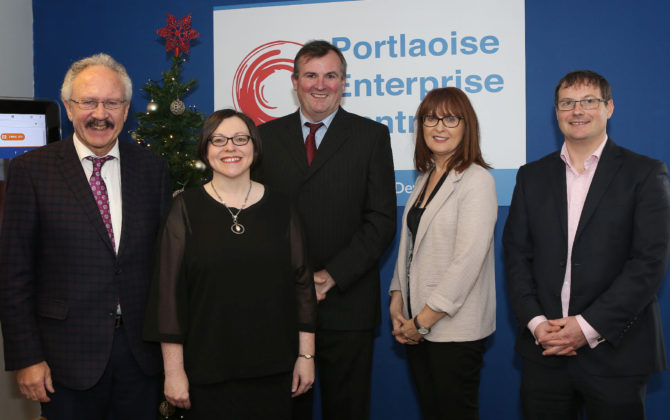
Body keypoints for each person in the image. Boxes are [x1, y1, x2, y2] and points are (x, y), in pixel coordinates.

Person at [0, 53, 172, 419]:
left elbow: (164, 266)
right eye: (88, 102)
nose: (100, 114)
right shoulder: (31, 172)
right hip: (65, 358)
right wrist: (27, 358)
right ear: (67, 106)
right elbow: (13, 274)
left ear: (126, 110)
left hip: (140, 357)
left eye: (112, 103)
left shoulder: (152, 169)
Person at [503, 70, 670, 419]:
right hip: (544, 351)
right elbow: (517, 256)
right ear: (556, 112)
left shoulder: (645, 173)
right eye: (567, 103)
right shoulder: (530, 176)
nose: (577, 111)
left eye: (589, 101)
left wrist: (587, 326)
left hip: (615, 353)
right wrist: (536, 322)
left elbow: (648, 263)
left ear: (609, 108)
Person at [252, 40, 396, 420]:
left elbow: (381, 220)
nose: (321, 84)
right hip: (281, 306)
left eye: (330, 76)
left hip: (348, 306)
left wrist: (331, 276)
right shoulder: (264, 138)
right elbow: (255, 219)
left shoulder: (372, 137)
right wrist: (295, 281)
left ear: (344, 82)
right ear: (294, 81)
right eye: (311, 75)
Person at [143, 109, 317, 419]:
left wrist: (306, 355)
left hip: (275, 369)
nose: (230, 147)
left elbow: (303, 284)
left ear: (255, 146)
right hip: (207, 371)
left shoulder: (282, 207)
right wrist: (174, 371)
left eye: (240, 139)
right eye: (218, 140)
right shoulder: (184, 208)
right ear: (205, 149)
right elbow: (168, 296)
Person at [389, 87, 497, 420]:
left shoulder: (477, 180)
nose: (439, 126)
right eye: (431, 118)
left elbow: (467, 262)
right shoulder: (425, 177)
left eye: (451, 118)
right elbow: (410, 243)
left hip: (451, 328)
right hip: (417, 324)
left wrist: (423, 321)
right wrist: (396, 296)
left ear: (467, 126)